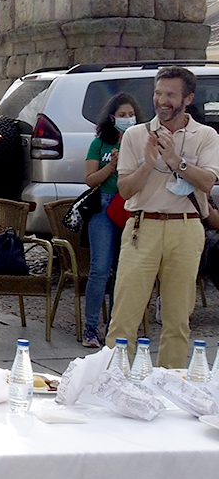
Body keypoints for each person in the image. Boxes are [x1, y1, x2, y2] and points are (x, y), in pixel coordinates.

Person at [106, 66, 219, 369]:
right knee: (123, 319)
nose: (162, 100)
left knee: (177, 320)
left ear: (188, 98)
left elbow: (208, 182)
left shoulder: (206, 135)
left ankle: (172, 392)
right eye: (158, 92)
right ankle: (112, 386)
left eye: (171, 94)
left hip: (186, 229)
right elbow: (126, 190)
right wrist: (148, 163)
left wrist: (174, 161)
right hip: (142, 227)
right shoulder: (134, 135)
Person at [82, 93, 141, 348]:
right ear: (112, 118)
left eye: (131, 115)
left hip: (130, 207)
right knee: (100, 269)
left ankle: (115, 329)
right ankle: (90, 328)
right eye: (122, 115)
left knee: (123, 270)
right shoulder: (99, 144)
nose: (127, 119)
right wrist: (112, 167)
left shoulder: (140, 142)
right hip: (104, 206)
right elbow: (90, 179)